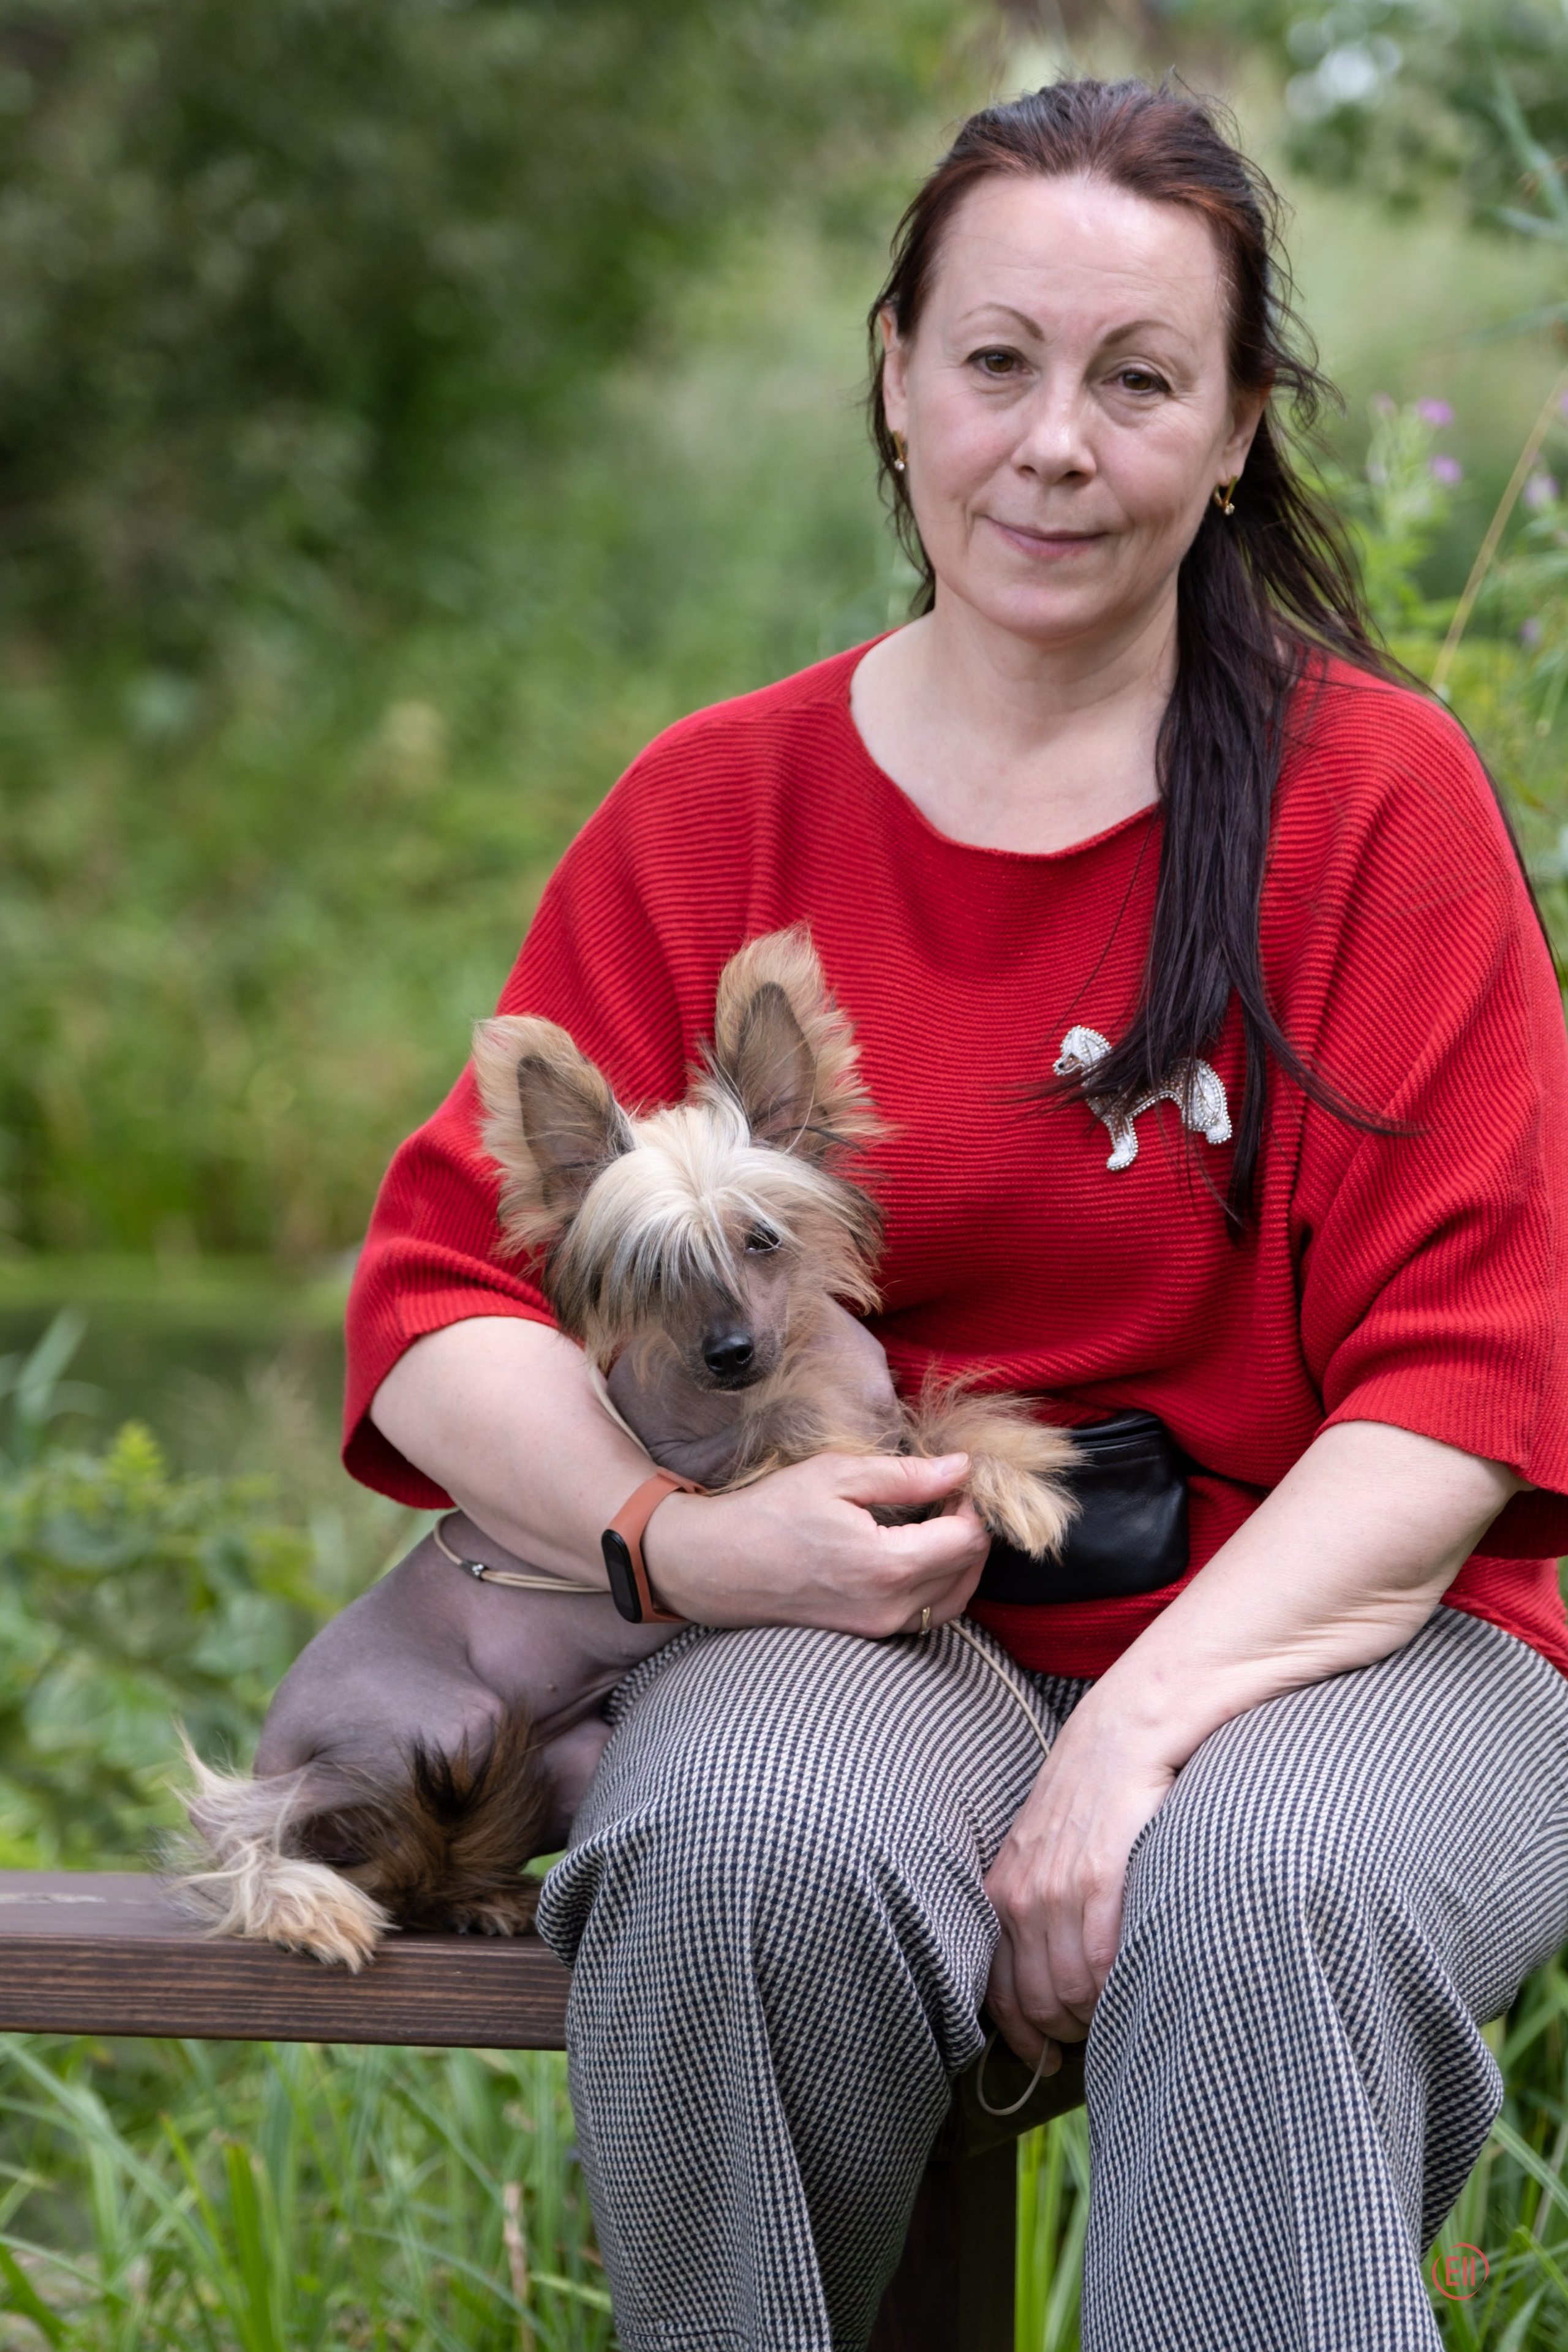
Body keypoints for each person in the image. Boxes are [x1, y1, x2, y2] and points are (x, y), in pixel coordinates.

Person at [343, 77, 1568, 2352]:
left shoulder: (1375, 806)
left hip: (1358, 1641)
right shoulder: (723, 806)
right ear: (897, 378)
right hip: (873, 1638)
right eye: (996, 362)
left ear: (1232, 433)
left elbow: (1470, 1387)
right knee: (736, 1851)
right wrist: (674, 1547)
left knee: (1266, 1882)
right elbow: (437, 1302)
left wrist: (1139, 1740)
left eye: (1138, 381)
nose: (1055, 445)